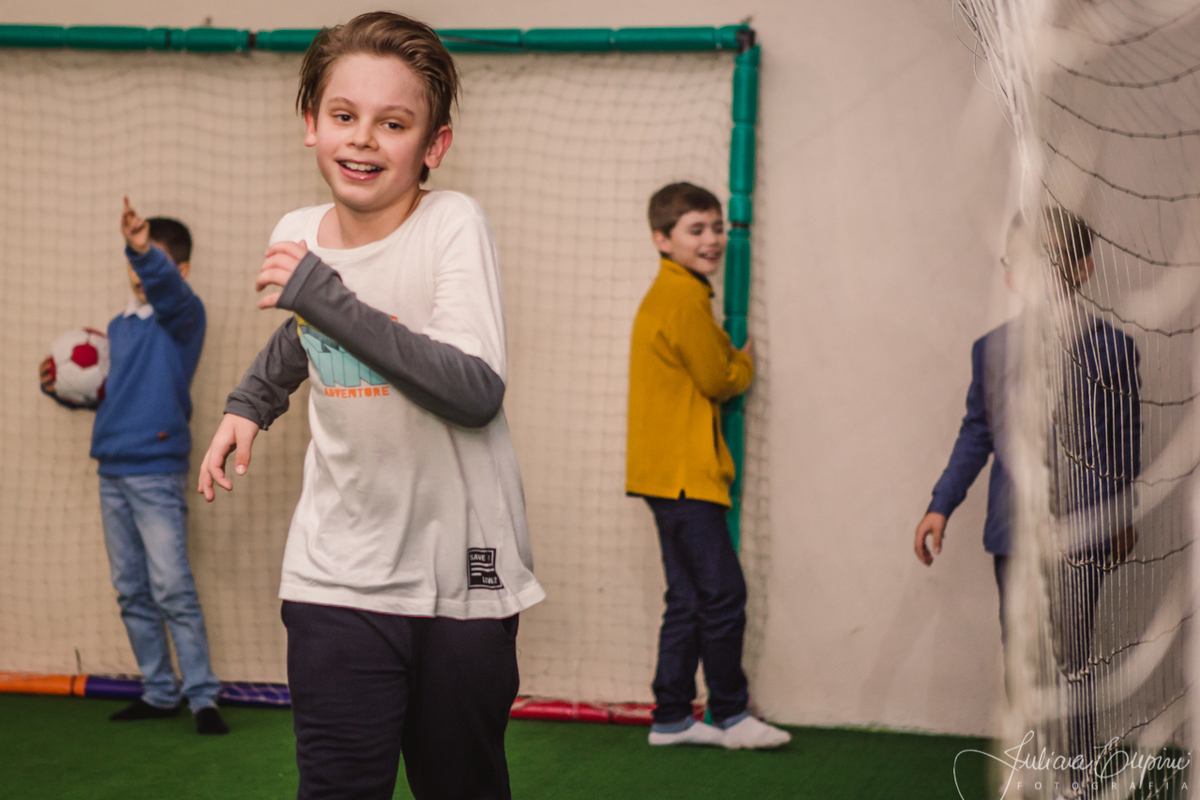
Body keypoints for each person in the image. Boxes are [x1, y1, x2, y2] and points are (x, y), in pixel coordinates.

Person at [196, 12, 544, 800]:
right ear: (310, 124)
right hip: (337, 572)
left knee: (461, 785)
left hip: (467, 567)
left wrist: (323, 296)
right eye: (344, 115)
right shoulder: (299, 232)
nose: (362, 139)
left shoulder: (452, 224)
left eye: (393, 123)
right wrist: (252, 400)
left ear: (434, 144)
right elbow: (304, 335)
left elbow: (473, 392)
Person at [913, 206, 1140, 795]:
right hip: (1012, 532)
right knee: (1020, 651)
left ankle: (1077, 772)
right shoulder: (991, 349)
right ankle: (1032, 764)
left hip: (1080, 532)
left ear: (1083, 268)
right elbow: (977, 432)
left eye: (1049, 259)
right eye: (1019, 260)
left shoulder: (1112, 349)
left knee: (1070, 656)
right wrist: (941, 504)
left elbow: (1120, 441)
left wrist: (1120, 513)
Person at [39, 199, 226, 735]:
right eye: (136, 261)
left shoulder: (183, 318)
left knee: (171, 586)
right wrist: (64, 391)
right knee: (130, 587)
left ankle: (202, 697)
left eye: (154, 262)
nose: (141, 272)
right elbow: (115, 396)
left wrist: (143, 250)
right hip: (112, 472)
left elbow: (165, 290)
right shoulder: (116, 329)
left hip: (156, 472)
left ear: (179, 271)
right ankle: (160, 691)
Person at [626, 182, 790, 750]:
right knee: (722, 595)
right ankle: (731, 713)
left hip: (664, 475)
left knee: (689, 598)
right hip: (684, 476)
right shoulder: (684, 298)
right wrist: (744, 365)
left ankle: (671, 716)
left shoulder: (675, 293)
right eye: (696, 230)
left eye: (717, 227)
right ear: (662, 240)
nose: (712, 239)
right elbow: (718, 379)